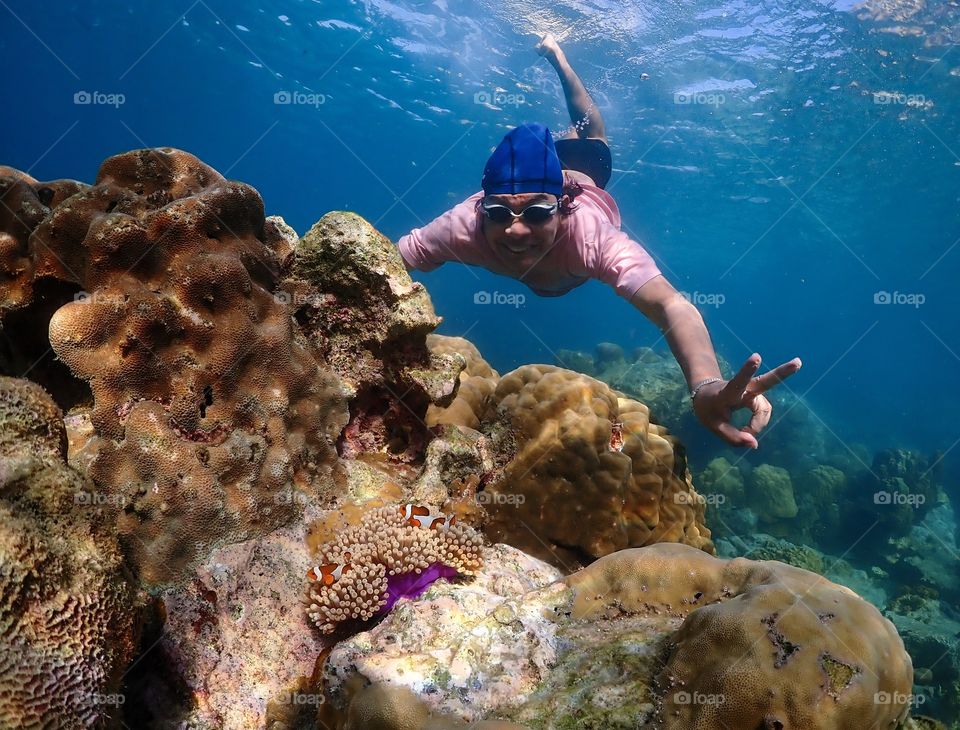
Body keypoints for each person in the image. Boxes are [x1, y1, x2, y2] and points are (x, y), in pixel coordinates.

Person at [397, 33, 801, 448]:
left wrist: (705, 385)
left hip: (587, 170)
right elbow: (384, 261)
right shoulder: (460, 226)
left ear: (562, 206)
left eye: (536, 213)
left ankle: (560, 60)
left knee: (590, 126)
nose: (516, 231)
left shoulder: (591, 236)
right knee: (554, 147)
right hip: (549, 178)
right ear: (481, 207)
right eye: (498, 213)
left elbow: (670, 304)